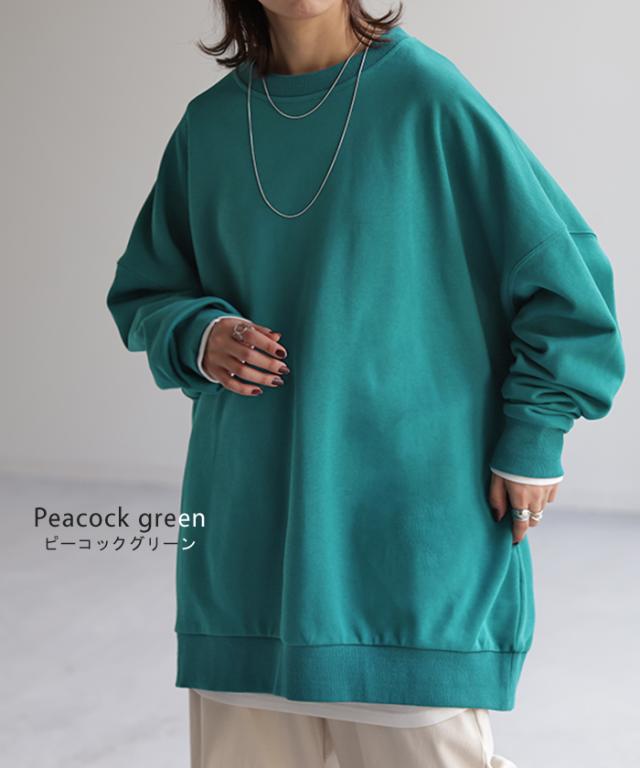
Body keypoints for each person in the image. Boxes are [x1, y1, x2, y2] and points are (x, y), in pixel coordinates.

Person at [105, 1, 626, 765]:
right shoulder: (209, 126)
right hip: (252, 550)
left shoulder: (427, 97)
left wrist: (535, 437)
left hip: (408, 544)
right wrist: (198, 334)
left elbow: (565, 280)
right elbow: (148, 291)